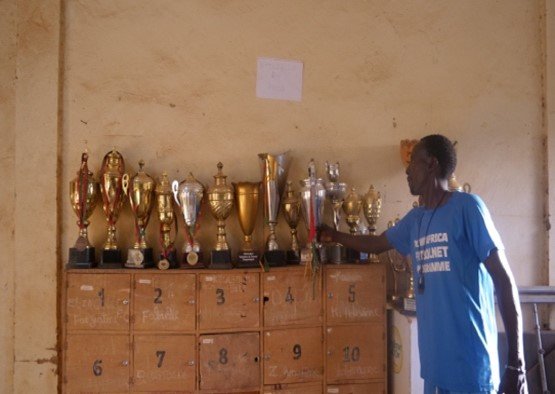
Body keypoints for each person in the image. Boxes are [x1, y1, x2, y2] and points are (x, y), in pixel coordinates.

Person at [318, 134, 527, 394]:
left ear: (432, 164)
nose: (407, 169)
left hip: (472, 370)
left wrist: (516, 363)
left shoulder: (468, 208)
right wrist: (334, 235)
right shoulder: (416, 219)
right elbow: (376, 243)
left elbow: (504, 281)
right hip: (435, 371)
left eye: (413, 161)